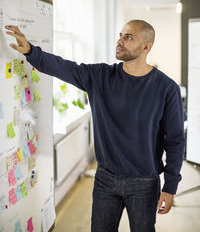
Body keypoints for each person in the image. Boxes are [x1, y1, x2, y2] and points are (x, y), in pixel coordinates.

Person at [5, 20, 185, 232]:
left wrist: (170, 187)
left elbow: (174, 141)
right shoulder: (100, 76)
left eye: (128, 37)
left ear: (146, 47)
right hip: (105, 179)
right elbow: (63, 67)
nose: (119, 40)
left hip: (144, 183)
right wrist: (31, 52)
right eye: (120, 34)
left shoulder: (167, 88)